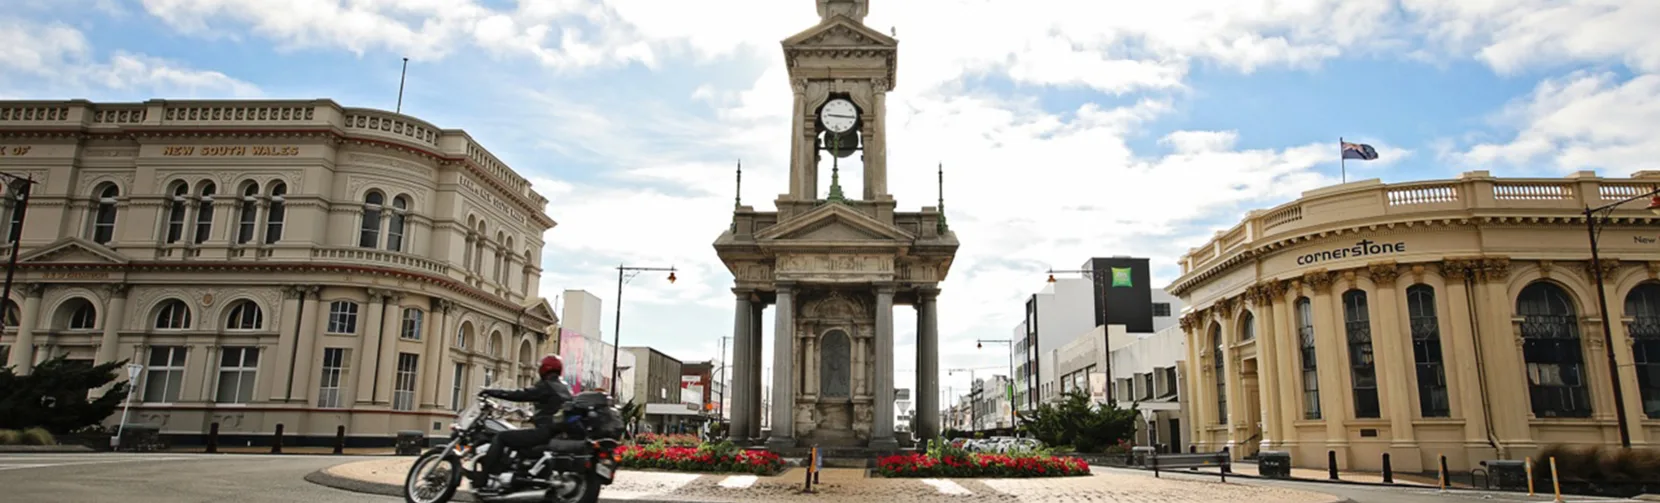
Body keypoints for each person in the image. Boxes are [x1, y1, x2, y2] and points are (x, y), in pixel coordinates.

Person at [472, 354, 573, 493]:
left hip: (544, 431)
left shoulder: (546, 386)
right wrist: (531, 417)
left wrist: (491, 392)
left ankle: (483, 478)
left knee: (501, 437)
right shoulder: (564, 388)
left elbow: (520, 394)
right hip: (556, 432)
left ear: (544, 369)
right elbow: (552, 409)